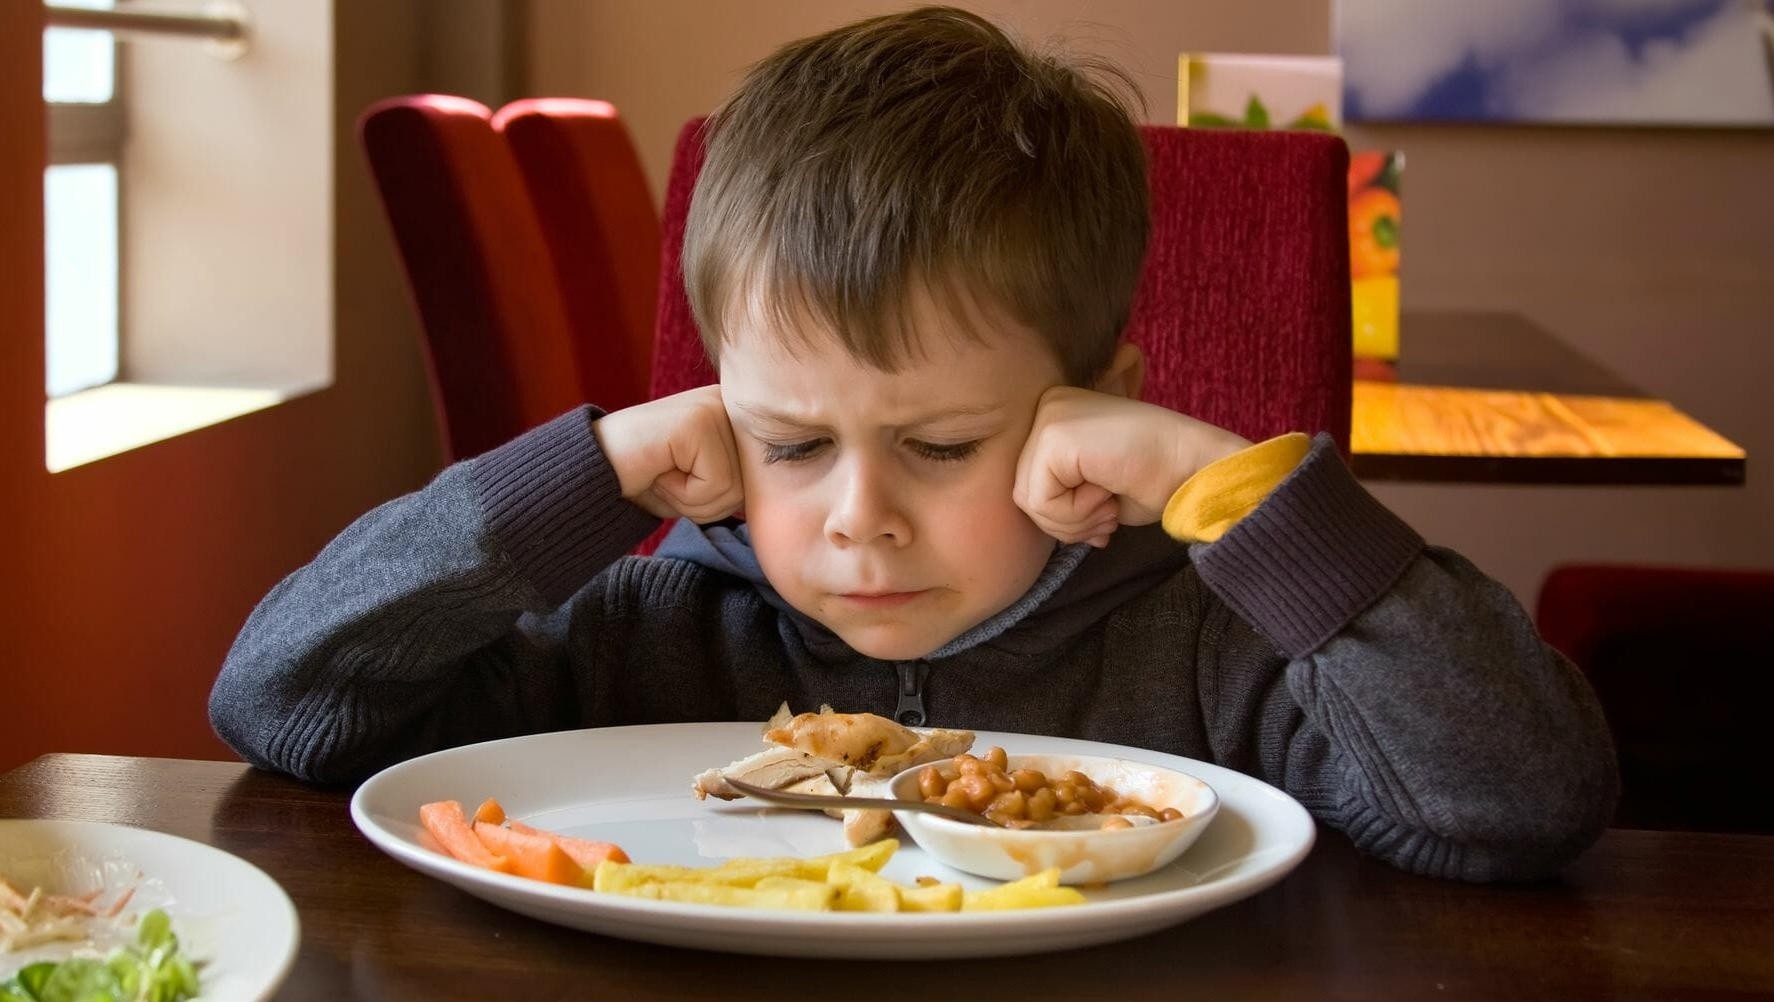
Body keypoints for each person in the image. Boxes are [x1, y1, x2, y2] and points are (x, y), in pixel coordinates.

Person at [210, 6, 1617, 882]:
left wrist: (1219, 487)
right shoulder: (657, 626)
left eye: (940, 446)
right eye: (791, 441)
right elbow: (290, 701)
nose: (856, 516)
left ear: (1095, 412)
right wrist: (585, 474)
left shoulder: (1213, 647)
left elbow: (1517, 806)